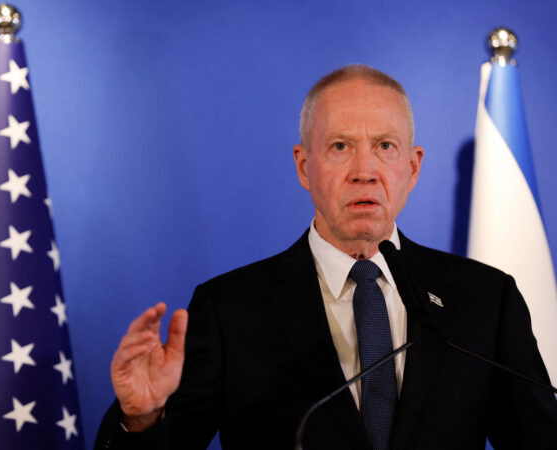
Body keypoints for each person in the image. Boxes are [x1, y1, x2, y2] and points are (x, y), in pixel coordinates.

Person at [95, 65, 557, 450]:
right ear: (304, 167)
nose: (364, 172)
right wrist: (140, 420)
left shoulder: (484, 299)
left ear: (412, 167)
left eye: (385, 146)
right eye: (340, 146)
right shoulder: (229, 310)